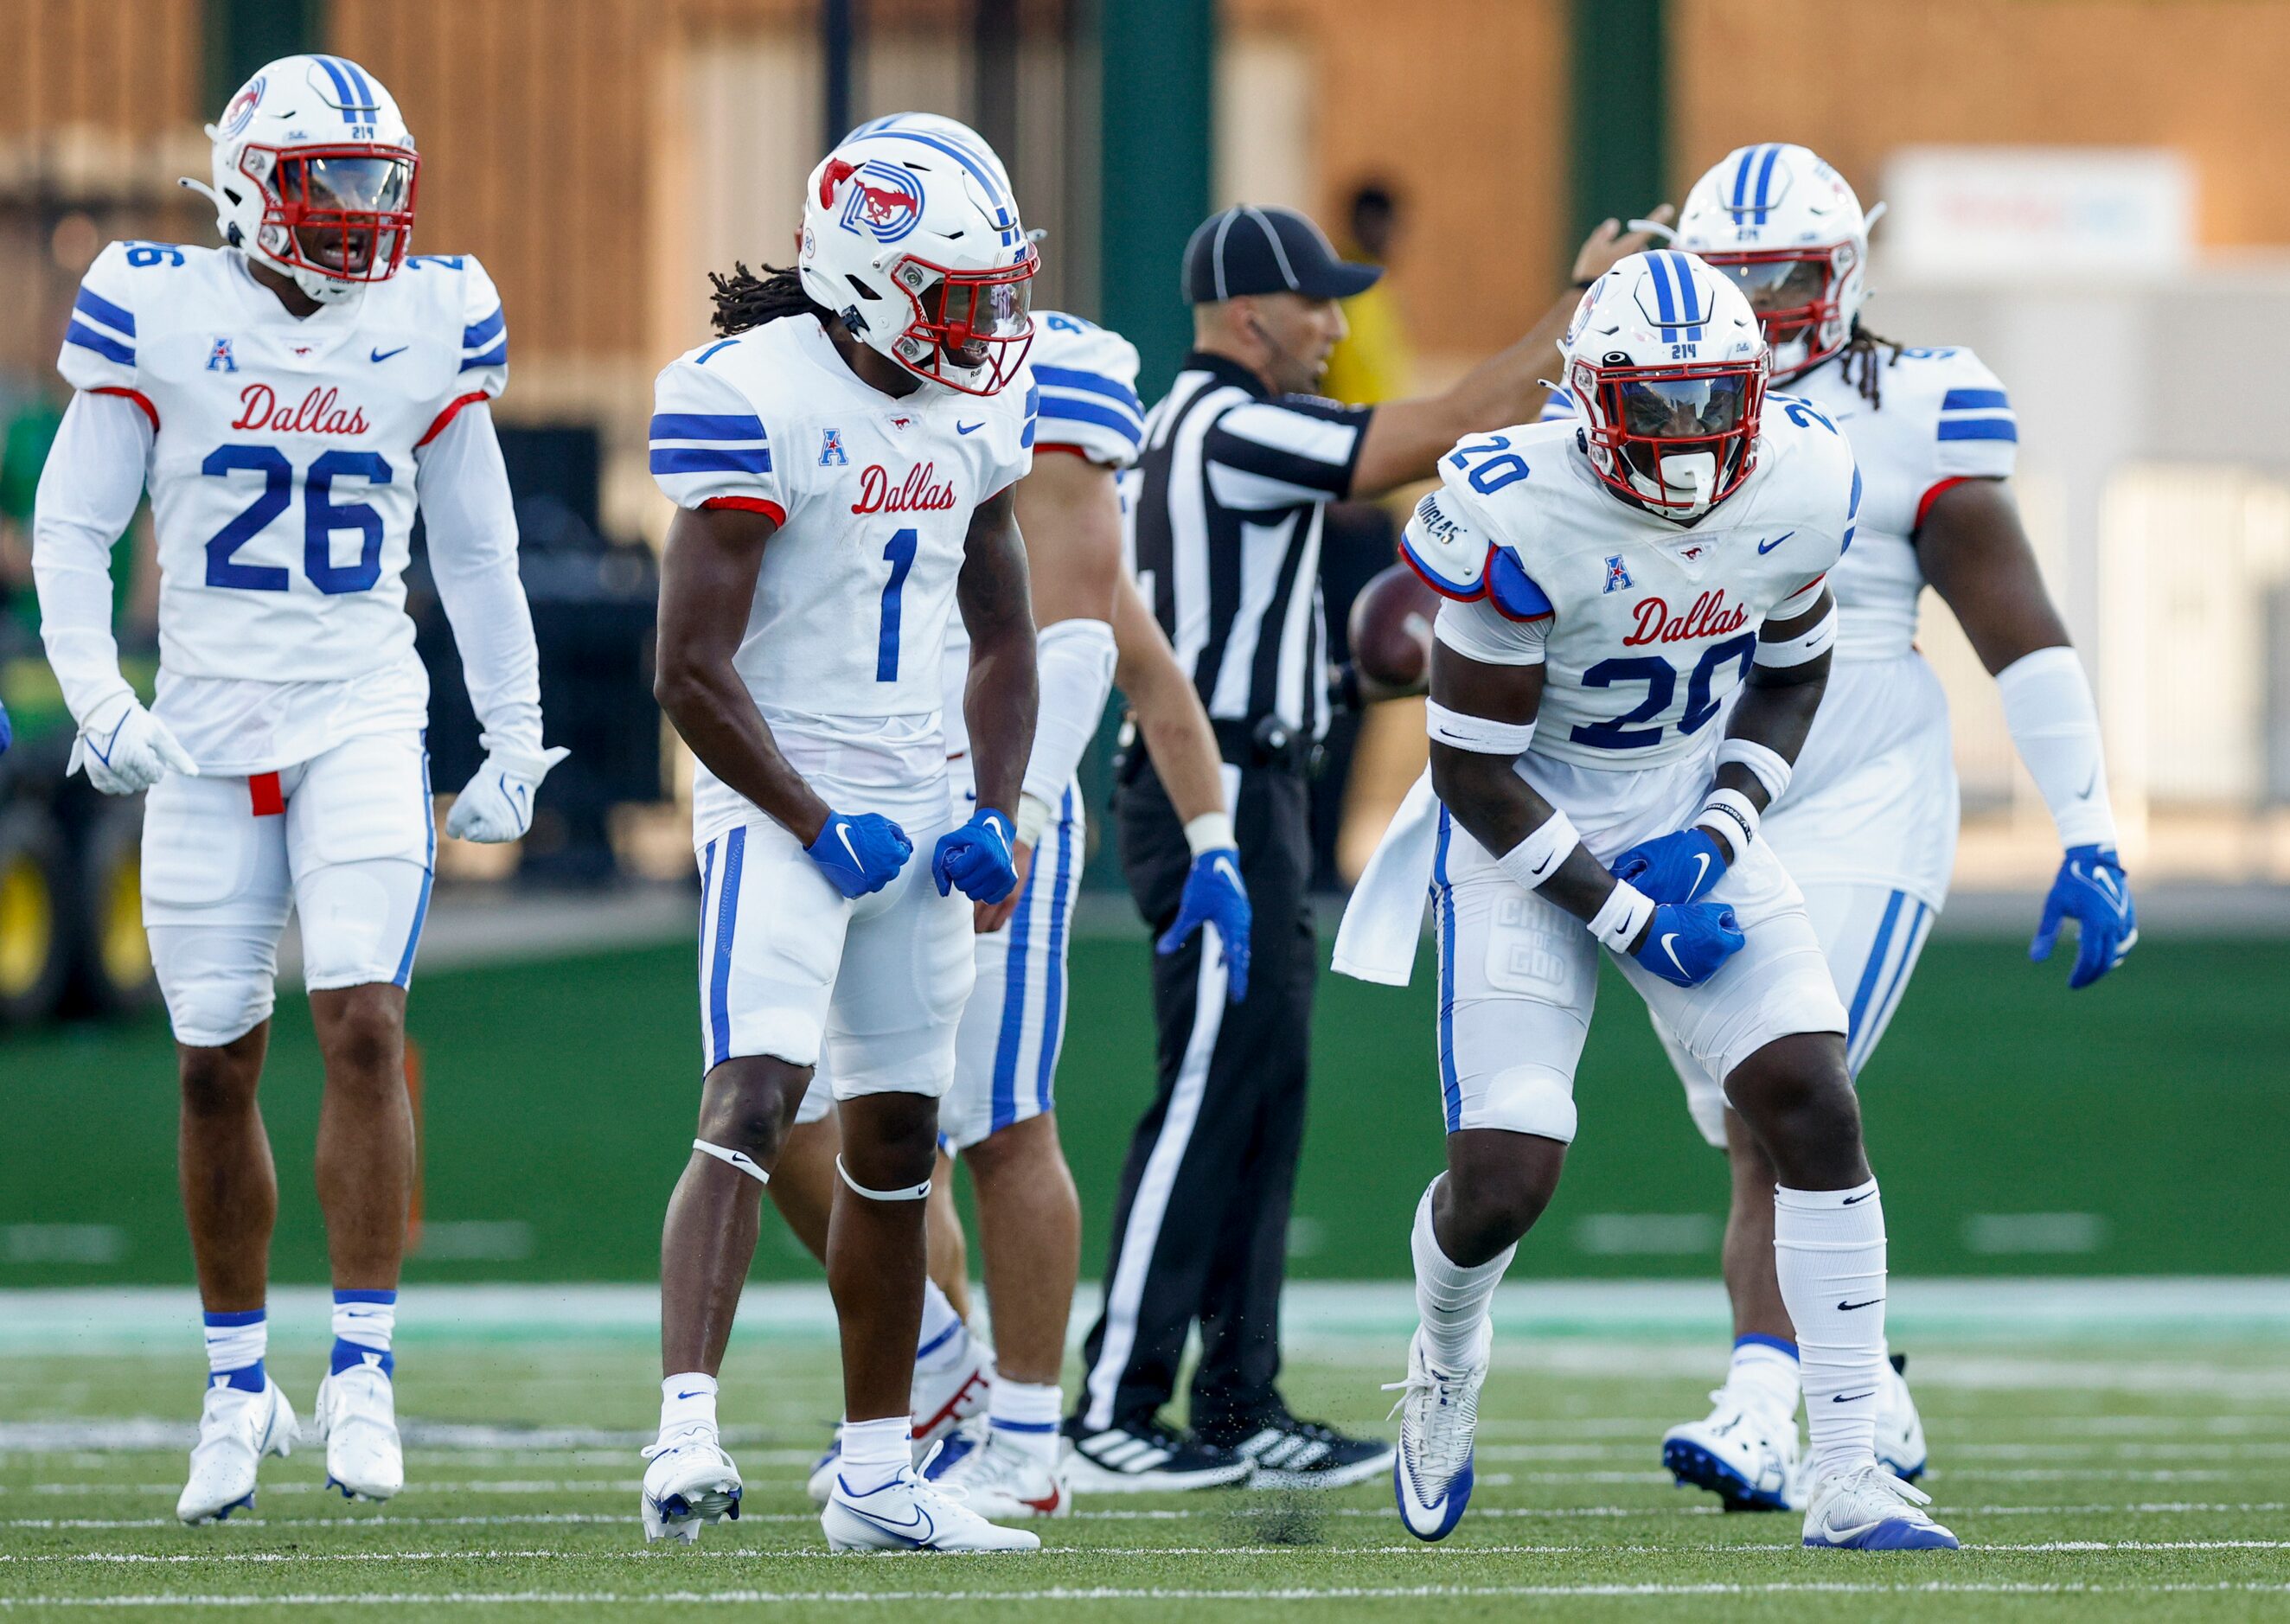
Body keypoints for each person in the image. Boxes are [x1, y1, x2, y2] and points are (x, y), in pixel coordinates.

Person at [1342, 249, 1959, 1550]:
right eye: (1656, 405)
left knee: (1813, 1099)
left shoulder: (1799, 474)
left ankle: (1846, 1471)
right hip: (1523, 828)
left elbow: (1795, 673)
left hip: (1683, 810)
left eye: (1709, 401)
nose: (1688, 439)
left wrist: (1725, 823)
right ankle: (1446, 1360)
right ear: (1586, 395)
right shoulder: (1516, 506)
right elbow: (1471, 770)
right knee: (1506, 1176)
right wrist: (1625, 908)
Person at [31, 56, 561, 1523]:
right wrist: (98, 697)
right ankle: (232, 1381)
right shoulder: (160, 305)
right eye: (330, 181)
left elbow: (478, 550)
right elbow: (72, 527)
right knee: (213, 1061)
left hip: (360, 712)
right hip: (203, 728)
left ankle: (368, 1365)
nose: (361, 212)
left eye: (379, 182)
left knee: (366, 1020)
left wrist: (510, 735)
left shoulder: (432, 315)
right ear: (255, 183)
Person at [1069, 201, 1668, 1493]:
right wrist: (1588, 304)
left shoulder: (1222, 431)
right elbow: (1450, 423)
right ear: (1249, 318)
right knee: (1206, 1085)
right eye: (1318, 305)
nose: (1337, 326)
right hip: (1209, 781)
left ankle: (1237, 1395)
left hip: (1268, 775)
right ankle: (1114, 1397)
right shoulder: (1226, 419)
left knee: (1266, 1094)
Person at [1608, 144, 2131, 1510]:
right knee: (1747, 1113)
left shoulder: (1920, 401)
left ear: (1847, 275)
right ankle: (1870, 1392)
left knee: (1792, 1090)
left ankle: (1766, 1397)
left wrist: (2088, 824)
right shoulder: (1640, 381)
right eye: (1742, 281)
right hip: (1702, 786)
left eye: (1795, 279)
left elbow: (2013, 619)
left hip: (1863, 784)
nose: (1771, 309)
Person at [767, 111, 1250, 1519]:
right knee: (792, 1101)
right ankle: (936, 1363)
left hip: (982, 791)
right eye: (960, 282)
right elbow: (1154, 662)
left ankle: (1028, 1434)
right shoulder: (798, 382)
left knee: (996, 1120)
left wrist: (1023, 809)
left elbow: (1094, 631)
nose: (993, 315)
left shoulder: (1048, 383)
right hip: (846, 780)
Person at [639, 125, 1044, 1556]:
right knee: (753, 1095)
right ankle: (685, 1426)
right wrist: (814, 817)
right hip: (778, 786)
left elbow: (1003, 635)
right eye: (956, 290)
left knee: (898, 1137)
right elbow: (688, 668)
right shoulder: (750, 395)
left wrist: (993, 810)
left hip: (923, 797)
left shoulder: (975, 408)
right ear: (864, 278)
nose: (986, 323)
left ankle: (878, 1473)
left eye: (996, 290)